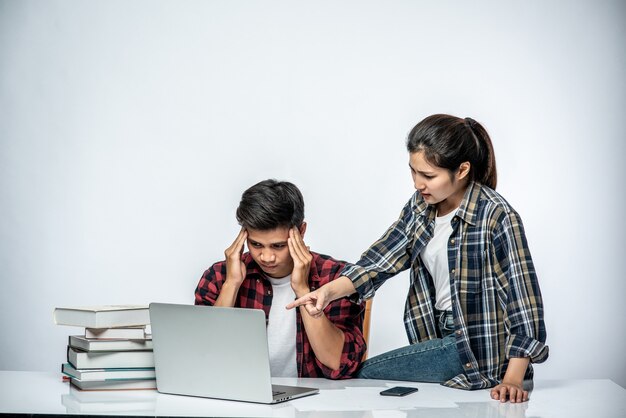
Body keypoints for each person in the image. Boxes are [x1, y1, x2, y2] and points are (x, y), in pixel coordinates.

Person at [287, 114, 548, 402]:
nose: (417, 184)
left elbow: (523, 300)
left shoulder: (496, 215)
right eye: (413, 171)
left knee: (363, 377)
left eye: (428, 176)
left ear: (461, 170)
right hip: (440, 335)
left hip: (478, 348)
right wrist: (326, 292)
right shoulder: (420, 207)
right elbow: (381, 260)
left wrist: (513, 378)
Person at [194, 179, 366, 379]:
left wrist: (302, 289)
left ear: (301, 232)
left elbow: (339, 364)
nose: (266, 257)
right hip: (239, 401)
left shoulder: (337, 279)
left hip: (314, 404)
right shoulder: (219, 276)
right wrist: (231, 285)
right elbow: (203, 357)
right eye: (256, 244)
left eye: (278, 246)